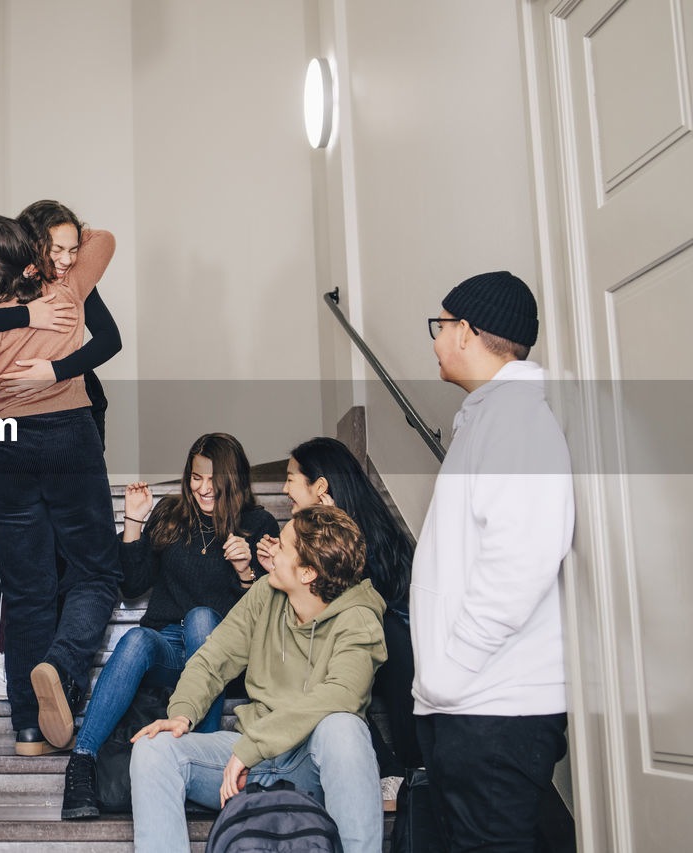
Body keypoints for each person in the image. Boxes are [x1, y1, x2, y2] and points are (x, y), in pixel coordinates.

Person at [0, 214, 122, 756]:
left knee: (27, 589)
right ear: (36, 249)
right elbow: (105, 238)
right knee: (96, 571)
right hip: (69, 437)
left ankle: (28, 731)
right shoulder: (66, 288)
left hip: (5, 448)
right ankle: (59, 668)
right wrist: (66, 241)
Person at [414, 271, 573, 851]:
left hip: (494, 711)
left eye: (442, 326)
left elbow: (520, 564)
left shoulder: (516, 424)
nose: (435, 340)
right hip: (472, 709)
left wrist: (450, 674)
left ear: (468, 333)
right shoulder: (490, 419)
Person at [130, 504, 387, 853]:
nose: (269, 550)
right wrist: (182, 712)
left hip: (309, 762)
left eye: (282, 546)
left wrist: (252, 749)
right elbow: (212, 658)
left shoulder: (359, 620)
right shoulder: (266, 593)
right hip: (251, 756)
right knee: (152, 748)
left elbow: (341, 694)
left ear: (308, 573)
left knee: (344, 727)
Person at [60, 433, 280, 820]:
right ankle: (81, 761)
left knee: (201, 619)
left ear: (234, 478)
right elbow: (132, 585)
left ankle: (200, 755)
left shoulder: (257, 523)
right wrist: (132, 520)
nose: (204, 488)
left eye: (214, 479)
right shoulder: (171, 513)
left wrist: (247, 571)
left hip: (222, 654)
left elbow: (266, 614)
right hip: (167, 647)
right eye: (196, 478)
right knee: (137, 639)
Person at [261, 436, 419, 809]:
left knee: (375, 643)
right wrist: (280, 565)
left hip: (378, 641)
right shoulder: (301, 535)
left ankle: (411, 773)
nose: (284, 489)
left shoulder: (359, 528)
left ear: (320, 487)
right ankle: (390, 770)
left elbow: (374, 597)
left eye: (290, 479)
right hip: (338, 647)